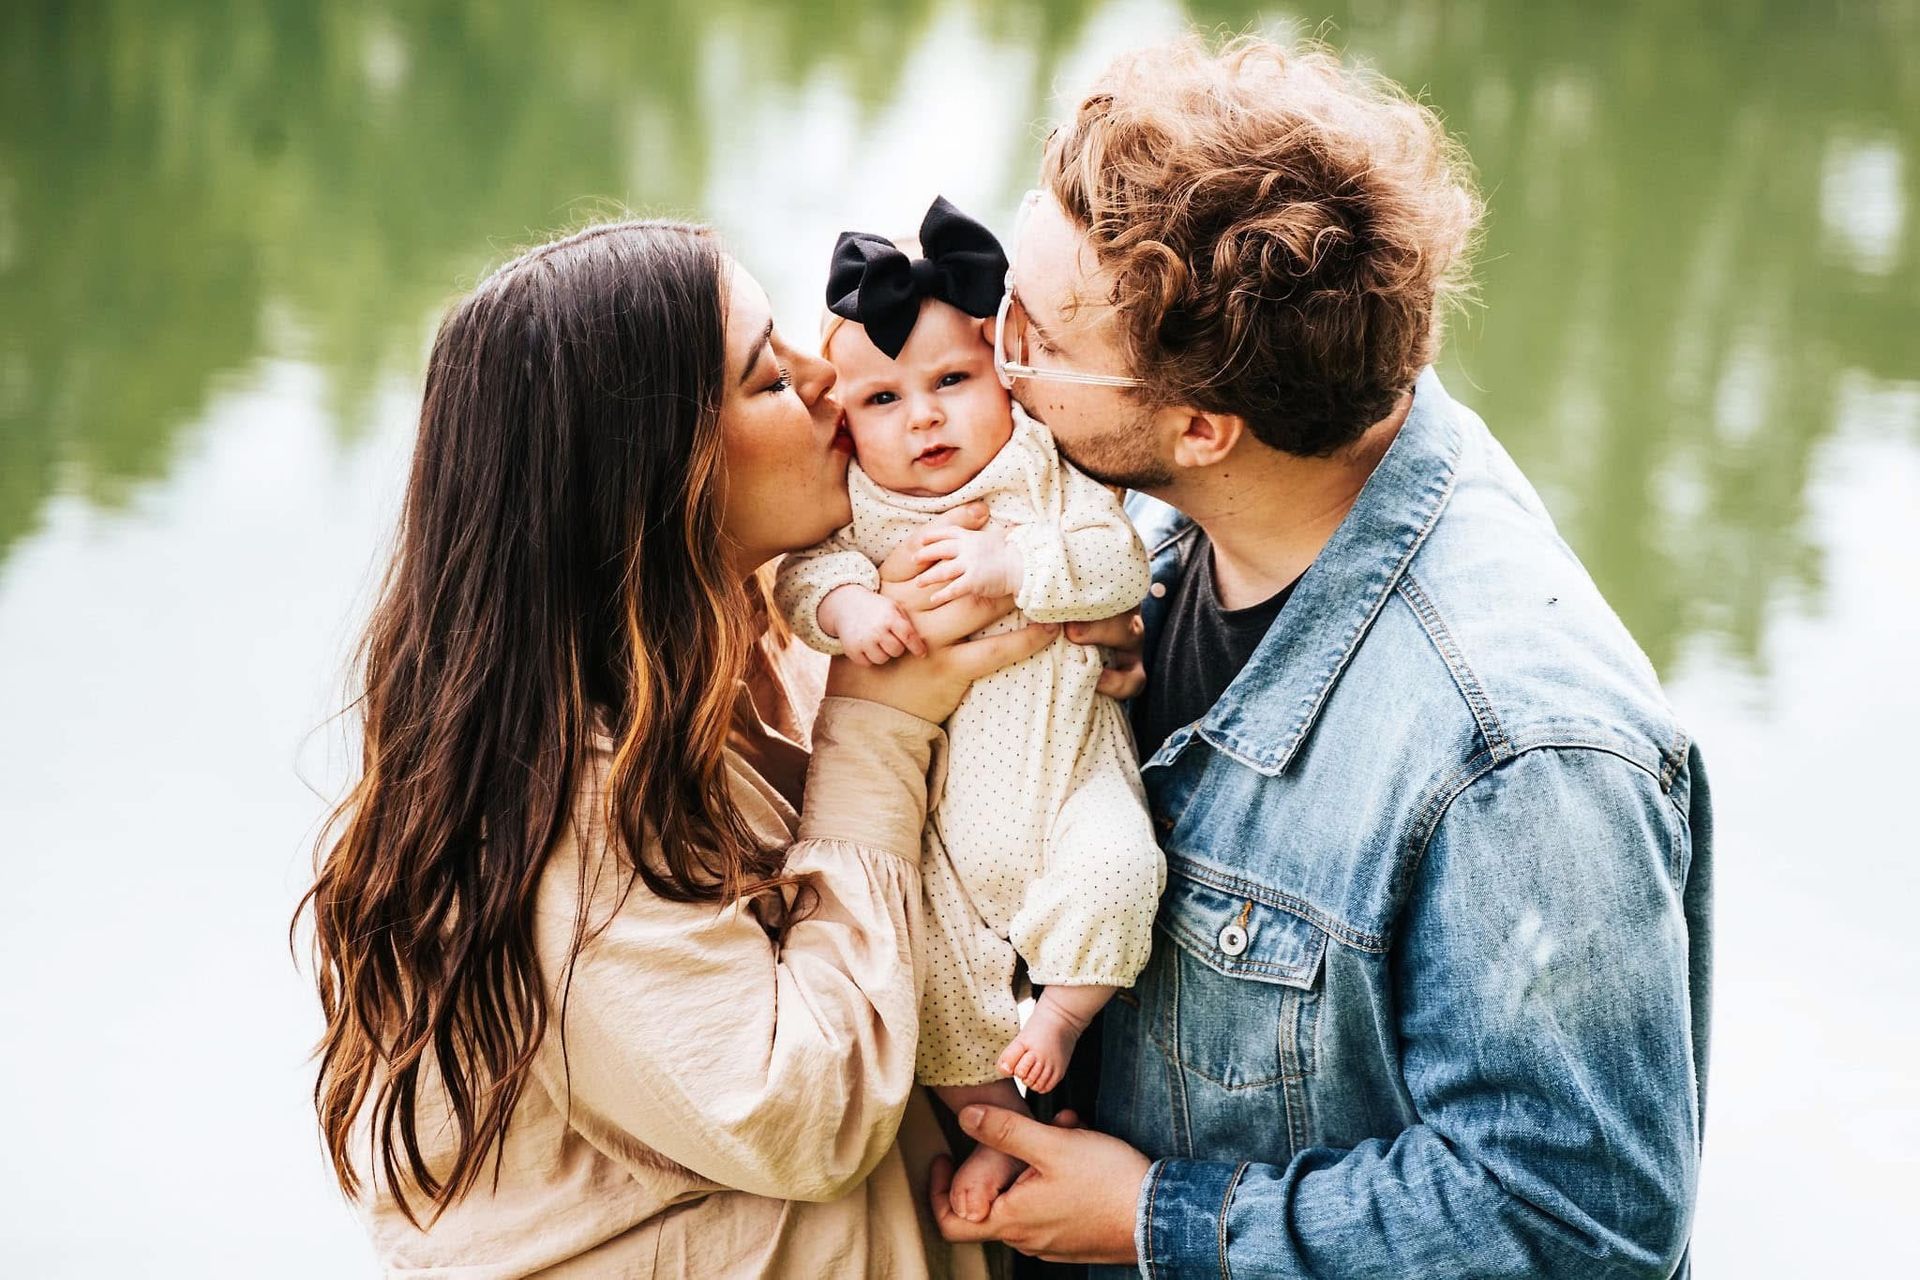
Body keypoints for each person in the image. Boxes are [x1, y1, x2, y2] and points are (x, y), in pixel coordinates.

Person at [929, 35, 1714, 1280]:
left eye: (1036, 329)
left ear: (1200, 423)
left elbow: (1578, 1222)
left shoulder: (1521, 751)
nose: (992, 343)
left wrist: (1157, 1218)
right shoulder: (1184, 504)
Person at [295, 219, 1138, 1277]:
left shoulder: (747, 649)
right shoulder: (554, 804)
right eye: (768, 378)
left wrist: (1064, 663)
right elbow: (804, 1113)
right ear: (648, 470)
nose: (832, 382)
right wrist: (879, 722)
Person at [774, 197, 1164, 1223]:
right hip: (945, 821)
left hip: (1071, 768)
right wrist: (849, 604)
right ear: (846, 422)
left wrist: (1016, 560)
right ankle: (992, 1132)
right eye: (884, 400)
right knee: (931, 970)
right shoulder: (860, 509)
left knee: (1122, 863)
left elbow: (1121, 559)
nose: (925, 418)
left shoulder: (1044, 470)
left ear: (1005, 372)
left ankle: (1068, 1017)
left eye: (953, 380)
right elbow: (803, 582)